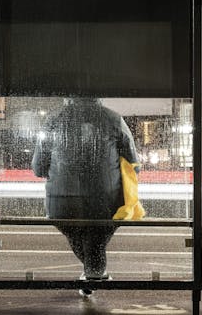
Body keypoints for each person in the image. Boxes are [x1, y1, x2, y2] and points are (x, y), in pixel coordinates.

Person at [32, 97, 139, 297]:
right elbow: (134, 163)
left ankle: (95, 274)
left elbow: (38, 167)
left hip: (61, 202)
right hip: (106, 202)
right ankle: (95, 275)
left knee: (78, 235)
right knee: (96, 239)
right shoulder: (113, 119)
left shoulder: (54, 120)